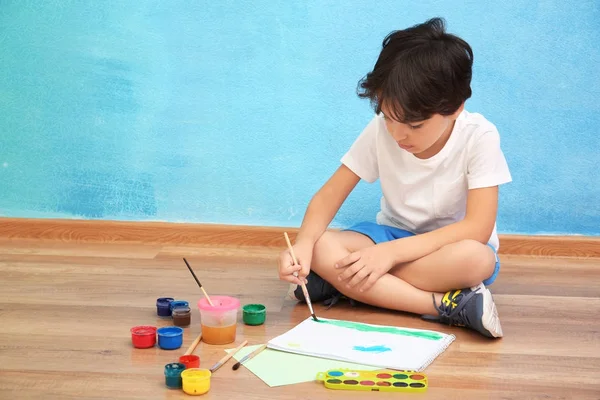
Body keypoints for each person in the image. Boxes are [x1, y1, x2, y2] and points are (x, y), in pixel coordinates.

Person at [277, 17, 512, 338]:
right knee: (319, 246)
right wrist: (303, 245)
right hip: (388, 235)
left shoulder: (479, 135)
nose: (398, 134)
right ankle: (444, 305)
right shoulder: (380, 131)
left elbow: (477, 227)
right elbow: (327, 197)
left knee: (477, 260)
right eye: (388, 117)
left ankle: (345, 286)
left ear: (455, 108)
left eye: (415, 125)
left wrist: (387, 257)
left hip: (449, 248)